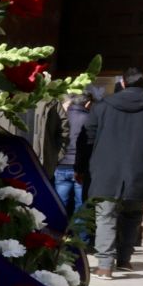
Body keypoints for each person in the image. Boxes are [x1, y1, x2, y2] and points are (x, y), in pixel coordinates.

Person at [79, 66, 143, 278]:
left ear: (123, 82)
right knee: (133, 214)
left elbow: (86, 138)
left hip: (106, 169)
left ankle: (105, 265)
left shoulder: (103, 105)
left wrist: (81, 167)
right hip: (140, 169)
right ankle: (125, 259)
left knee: (105, 215)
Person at [50, 87, 100, 218]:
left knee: (58, 204)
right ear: (88, 103)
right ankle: (79, 237)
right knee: (81, 206)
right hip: (81, 168)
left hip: (61, 165)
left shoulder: (61, 116)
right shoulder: (90, 119)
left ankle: (56, 233)